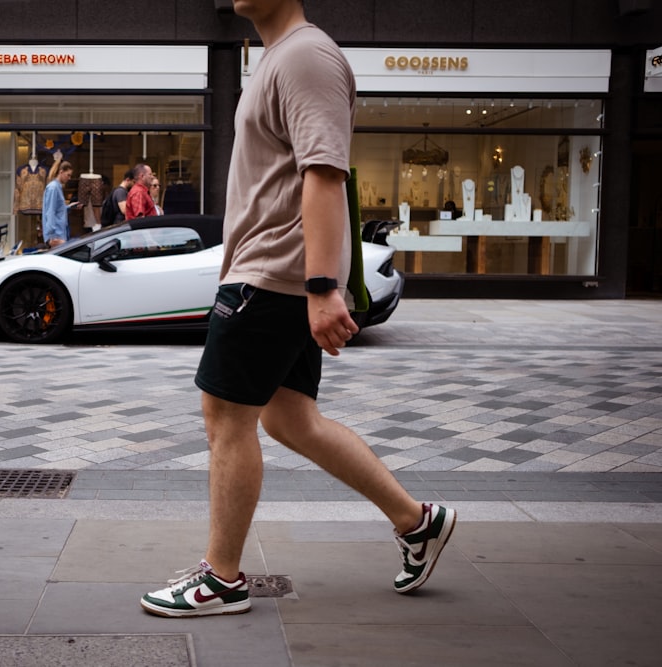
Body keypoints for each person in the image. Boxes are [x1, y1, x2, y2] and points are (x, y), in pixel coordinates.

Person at [140, 0, 456, 618]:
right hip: (277, 273)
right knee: (290, 419)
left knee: (226, 417)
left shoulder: (307, 55)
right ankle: (417, 522)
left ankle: (222, 579)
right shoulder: (280, 57)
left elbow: (325, 173)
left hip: (274, 275)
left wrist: (318, 286)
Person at [41, 160, 78, 247]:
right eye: (68, 175)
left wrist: (69, 207)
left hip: (60, 232)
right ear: (61, 172)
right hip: (56, 235)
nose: (69, 178)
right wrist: (52, 236)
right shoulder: (53, 188)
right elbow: (50, 211)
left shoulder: (57, 187)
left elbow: (56, 208)